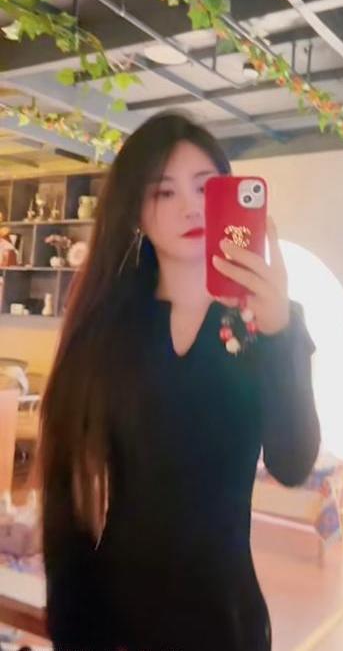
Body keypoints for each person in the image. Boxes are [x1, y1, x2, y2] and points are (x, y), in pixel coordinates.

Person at [40, 111, 320, 651]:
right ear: (135, 212)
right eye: (163, 192)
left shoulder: (267, 322)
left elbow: (293, 462)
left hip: (226, 620)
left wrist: (281, 331)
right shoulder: (108, 325)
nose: (190, 206)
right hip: (117, 618)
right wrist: (73, 634)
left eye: (206, 187)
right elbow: (64, 496)